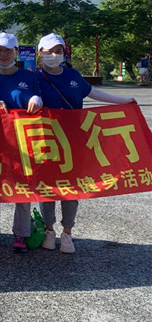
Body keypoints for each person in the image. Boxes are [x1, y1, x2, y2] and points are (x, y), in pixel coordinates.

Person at [36, 33, 136, 254]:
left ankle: (67, 233)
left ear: (64, 53)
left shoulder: (73, 75)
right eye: (49, 51)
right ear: (40, 54)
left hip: (74, 141)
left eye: (58, 51)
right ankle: (49, 230)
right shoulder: (35, 78)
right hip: (46, 141)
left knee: (71, 188)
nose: (54, 55)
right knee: (48, 188)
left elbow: (95, 93)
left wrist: (125, 102)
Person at [0, 33, 43, 253]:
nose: (3, 54)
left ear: (16, 51)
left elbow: (39, 97)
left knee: (23, 187)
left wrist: (36, 99)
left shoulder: (30, 77)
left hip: (23, 140)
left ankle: (21, 233)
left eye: (8, 50)